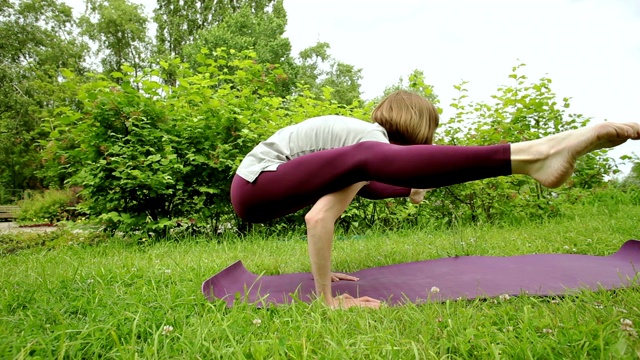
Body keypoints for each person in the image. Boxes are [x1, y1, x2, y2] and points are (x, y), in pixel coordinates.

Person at [230, 90, 640, 309]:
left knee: (367, 170)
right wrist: (327, 299)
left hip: (260, 191)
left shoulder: (357, 152)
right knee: (366, 164)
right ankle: (533, 155)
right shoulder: (368, 140)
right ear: (420, 127)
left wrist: (409, 188)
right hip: (255, 184)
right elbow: (320, 218)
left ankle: (539, 154)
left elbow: (360, 190)